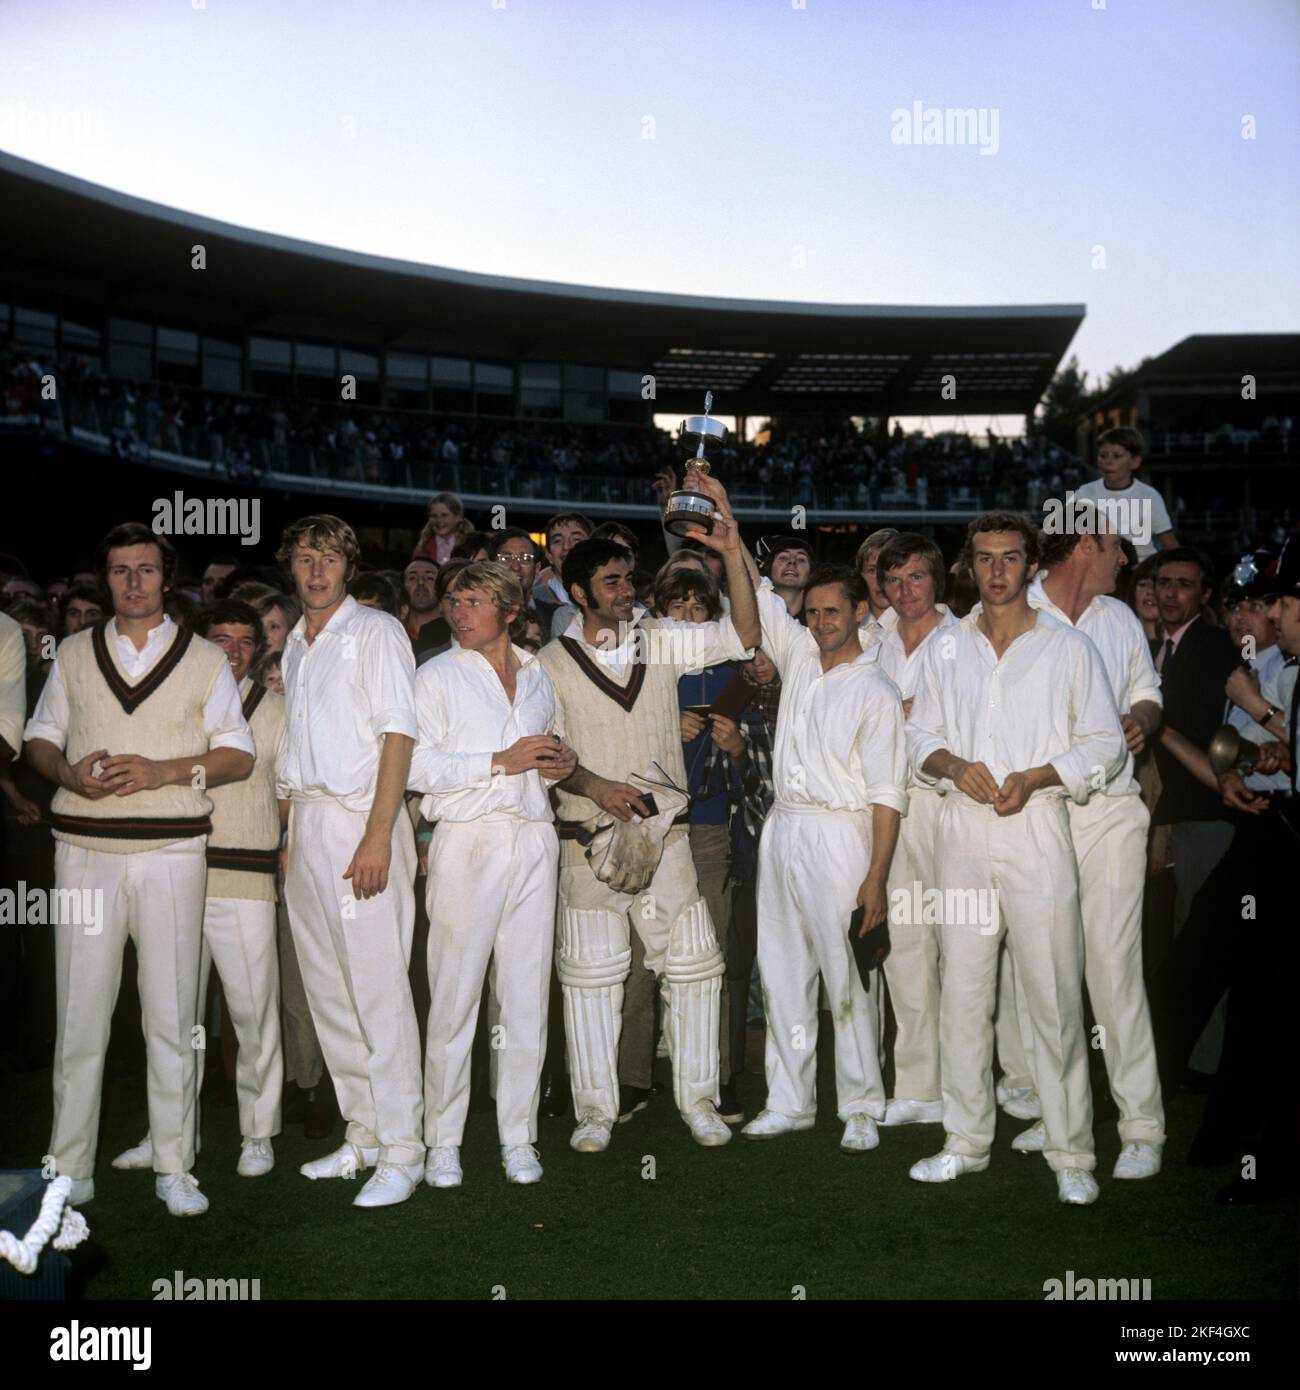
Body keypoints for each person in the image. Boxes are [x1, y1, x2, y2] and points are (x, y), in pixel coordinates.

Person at [24, 523, 254, 1216]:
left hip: (172, 850)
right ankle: (69, 1169)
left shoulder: (205, 659)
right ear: (105, 578)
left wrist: (164, 770)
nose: (133, 582)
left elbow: (236, 755)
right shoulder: (69, 651)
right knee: (81, 1016)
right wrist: (65, 771)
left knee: (174, 1013)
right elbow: (38, 740)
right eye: (120, 570)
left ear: (166, 577)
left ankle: (175, 1165)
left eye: (146, 569)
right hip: (84, 850)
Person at [904, 511, 1125, 1205]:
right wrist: (951, 763)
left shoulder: (1068, 647)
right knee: (963, 993)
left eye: (1010, 557)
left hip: (1038, 831)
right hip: (962, 836)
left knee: (1054, 997)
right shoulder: (946, 646)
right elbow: (917, 738)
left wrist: (1038, 776)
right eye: (985, 558)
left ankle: (1070, 1152)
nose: (997, 571)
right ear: (969, 566)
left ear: (1032, 564)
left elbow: (1105, 744)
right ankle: (966, 1142)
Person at [538, 474, 759, 1153]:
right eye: (610, 582)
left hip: (669, 837)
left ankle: (698, 1100)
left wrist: (732, 548)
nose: (625, 590)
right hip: (590, 841)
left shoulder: (660, 640)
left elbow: (745, 638)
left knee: (694, 965)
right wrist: (596, 785)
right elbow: (546, 754)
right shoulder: (546, 663)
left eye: (626, 578)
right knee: (593, 978)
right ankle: (596, 1112)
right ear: (578, 593)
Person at [995, 508, 1166, 1180]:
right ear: (1088, 543)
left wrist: (1140, 723)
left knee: (1114, 969)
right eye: (1118, 546)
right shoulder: (1015, 612)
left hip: (1113, 814)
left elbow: (1150, 695)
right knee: (1046, 972)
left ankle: (1141, 1126)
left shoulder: (1119, 619)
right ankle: (1060, 1112)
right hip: (1043, 814)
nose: (1126, 560)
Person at [410, 561, 574, 1189]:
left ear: (509, 611)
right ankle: (442, 1143)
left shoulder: (538, 676)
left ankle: (518, 1136)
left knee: (526, 995)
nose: (459, 611)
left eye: (474, 600)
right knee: (454, 996)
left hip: (534, 838)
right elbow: (415, 766)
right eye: (455, 600)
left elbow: (547, 753)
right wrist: (497, 762)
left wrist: (560, 760)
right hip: (466, 843)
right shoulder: (434, 676)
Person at [276, 515, 424, 1209]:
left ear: (349, 567)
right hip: (307, 824)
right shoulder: (297, 646)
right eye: (305, 559)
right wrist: (289, 839)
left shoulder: (377, 631)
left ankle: (404, 1149)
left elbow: (399, 735)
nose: (315, 572)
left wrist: (377, 834)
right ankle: (363, 1134)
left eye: (328, 559)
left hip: (362, 819)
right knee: (330, 993)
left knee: (377, 988)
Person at [111, 600, 286, 1180]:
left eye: (243, 640)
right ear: (200, 642)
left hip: (246, 873)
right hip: (173, 868)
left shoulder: (278, 710)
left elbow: (290, 796)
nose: (232, 650)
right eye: (221, 638)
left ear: (258, 649)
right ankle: (170, 1135)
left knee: (252, 1011)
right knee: (174, 1013)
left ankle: (257, 1132)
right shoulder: (177, 702)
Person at [738, 558, 906, 1153]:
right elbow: (755, 601)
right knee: (781, 970)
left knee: (850, 975)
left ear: (861, 611)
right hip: (783, 827)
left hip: (843, 834)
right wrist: (729, 533)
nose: (821, 621)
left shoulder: (877, 689)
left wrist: (876, 878)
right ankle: (790, 1101)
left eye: (833, 610)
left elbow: (889, 794)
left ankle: (862, 1102)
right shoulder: (801, 656)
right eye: (811, 612)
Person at [870, 534, 959, 1128]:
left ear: (937, 582)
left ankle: (975, 1084)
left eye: (917, 578)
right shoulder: (871, 642)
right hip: (891, 809)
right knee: (905, 950)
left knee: (966, 949)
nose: (905, 591)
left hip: (951, 806)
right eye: (894, 580)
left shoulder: (969, 639)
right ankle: (918, 1086)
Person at [1150, 548, 1242, 944]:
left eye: (1184, 585)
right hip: (1166, 812)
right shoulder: (1150, 646)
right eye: (1164, 583)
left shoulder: (1218, 648)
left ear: (1205, 595)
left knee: (1198, 934)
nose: (1170, 594)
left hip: (1205, 811)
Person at [1072, 427, 1177, 560]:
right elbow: (1062, 535)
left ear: (1135, 462)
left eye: (1116, 456)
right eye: (1103, 456)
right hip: (1100, 570)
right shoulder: (1084, 493)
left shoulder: (1149, 495)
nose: (1108, 462)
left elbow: (1169, 543)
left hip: (1140, 571)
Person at [854, 527, 900, 642]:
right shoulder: (848, 624)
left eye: (889, 569)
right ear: (860, 576)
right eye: (872, 571)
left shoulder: (919, 625)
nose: (881, 579)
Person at [413, 492, 473, 565]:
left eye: (444, 515)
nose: (439, 520)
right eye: (434, 516)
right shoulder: (422, 547)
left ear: (459, 517)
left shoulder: (470, 545)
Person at [763, 535, 814, 618]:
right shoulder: (755, 612)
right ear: (770, 568)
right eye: (783, 557)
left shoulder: (816, 621)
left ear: (810, 574)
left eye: (801, 559)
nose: (792, 561)